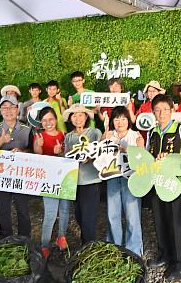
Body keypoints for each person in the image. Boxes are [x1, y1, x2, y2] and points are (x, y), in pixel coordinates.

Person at [145, 94, 181, 280]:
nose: (161, 113)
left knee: (176, 223)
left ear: (172, 111)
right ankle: (165, 255)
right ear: (153, 112)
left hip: (175, 184)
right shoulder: (152, 132)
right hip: (157, 183)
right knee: (160, 220)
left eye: (165, 109)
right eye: (157, 110)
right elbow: (149, 156)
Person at [0, 95, 33, 238]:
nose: (8, 111)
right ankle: (6, 238)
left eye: (11, 107)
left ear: (17, 109)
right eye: (4, 108)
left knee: (23, 209)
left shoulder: (27, 129)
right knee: (3, 209)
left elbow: (33, 151)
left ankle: (24, 239)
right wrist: (1, 140)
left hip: (20, 175)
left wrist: (23, 151)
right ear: (0, 110)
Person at [103, 106, 145, 256]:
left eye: (123, 118)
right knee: (112, 213)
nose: (120, 122)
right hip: (112, 177)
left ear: (128, 120)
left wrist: (134, 150)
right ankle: (114, 247)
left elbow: (143, 162)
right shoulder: (108, 135)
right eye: (116, 118)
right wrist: (104, 139)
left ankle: (134, 250)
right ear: (112, 121)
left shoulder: (136, 136)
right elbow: (100, 157)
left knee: (132, 214)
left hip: (131, 179)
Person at [32, 106, 70, 257]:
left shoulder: (64, 135)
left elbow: (69, 155)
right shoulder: (38, 137)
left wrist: (61, 151)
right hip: (48, 179)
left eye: (51, 119)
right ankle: (45, 244)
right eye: (45, 120)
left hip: (65, 177)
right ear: (41, 122)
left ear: (56, 120)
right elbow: (37, 156)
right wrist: (39, 146)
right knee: (50, 213)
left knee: (65, 209)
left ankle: (61, 237)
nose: (48, 123)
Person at [63, 104, 102, 244]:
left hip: (91, 180)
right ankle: (86, 242)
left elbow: (102, 151)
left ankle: (88, 246)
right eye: (74, 115)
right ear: (70, 119)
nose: (77, 118)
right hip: (74, 181)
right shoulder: (68, 136)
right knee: (78, 214)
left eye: (81, 115)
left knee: (88, 217)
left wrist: (90, 157)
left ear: (86, 117)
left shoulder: (94, 132)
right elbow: (65, 156)